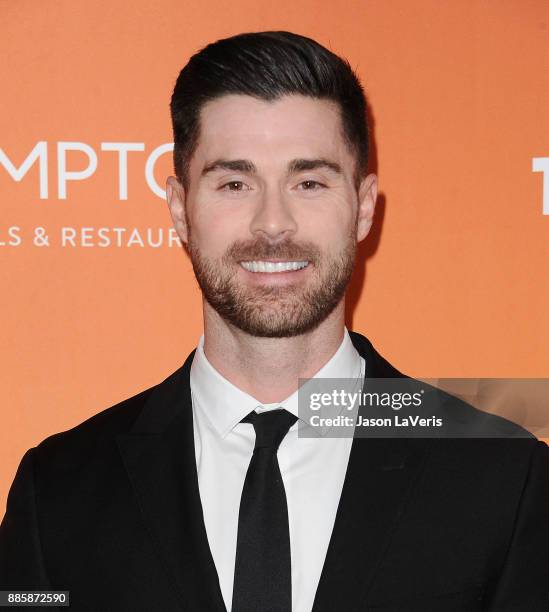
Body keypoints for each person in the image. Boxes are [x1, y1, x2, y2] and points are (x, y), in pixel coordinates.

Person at [1, 30, 548, 612]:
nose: (273, 223)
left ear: (363, 207)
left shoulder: (503, 475)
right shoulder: (59, 488)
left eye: (308, 182)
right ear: (181, 209)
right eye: (235, 183)